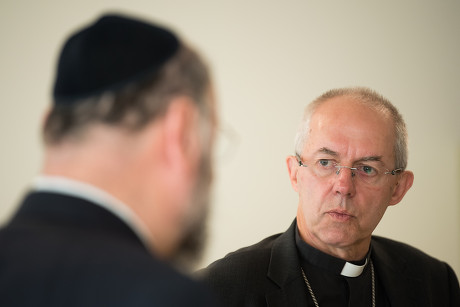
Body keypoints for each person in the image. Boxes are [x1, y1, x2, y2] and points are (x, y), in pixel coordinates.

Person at [0, 13, 218, 306]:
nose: (212, 176)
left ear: (49, 126)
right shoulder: (167, 296)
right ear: (180, 134)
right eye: (210, 144)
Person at [199, 87, 460, 306]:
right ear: (294, 174)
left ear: (398, 188)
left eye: (367, 169)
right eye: (325, 162)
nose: (343, 186)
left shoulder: (434, 283)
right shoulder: (217, 291)